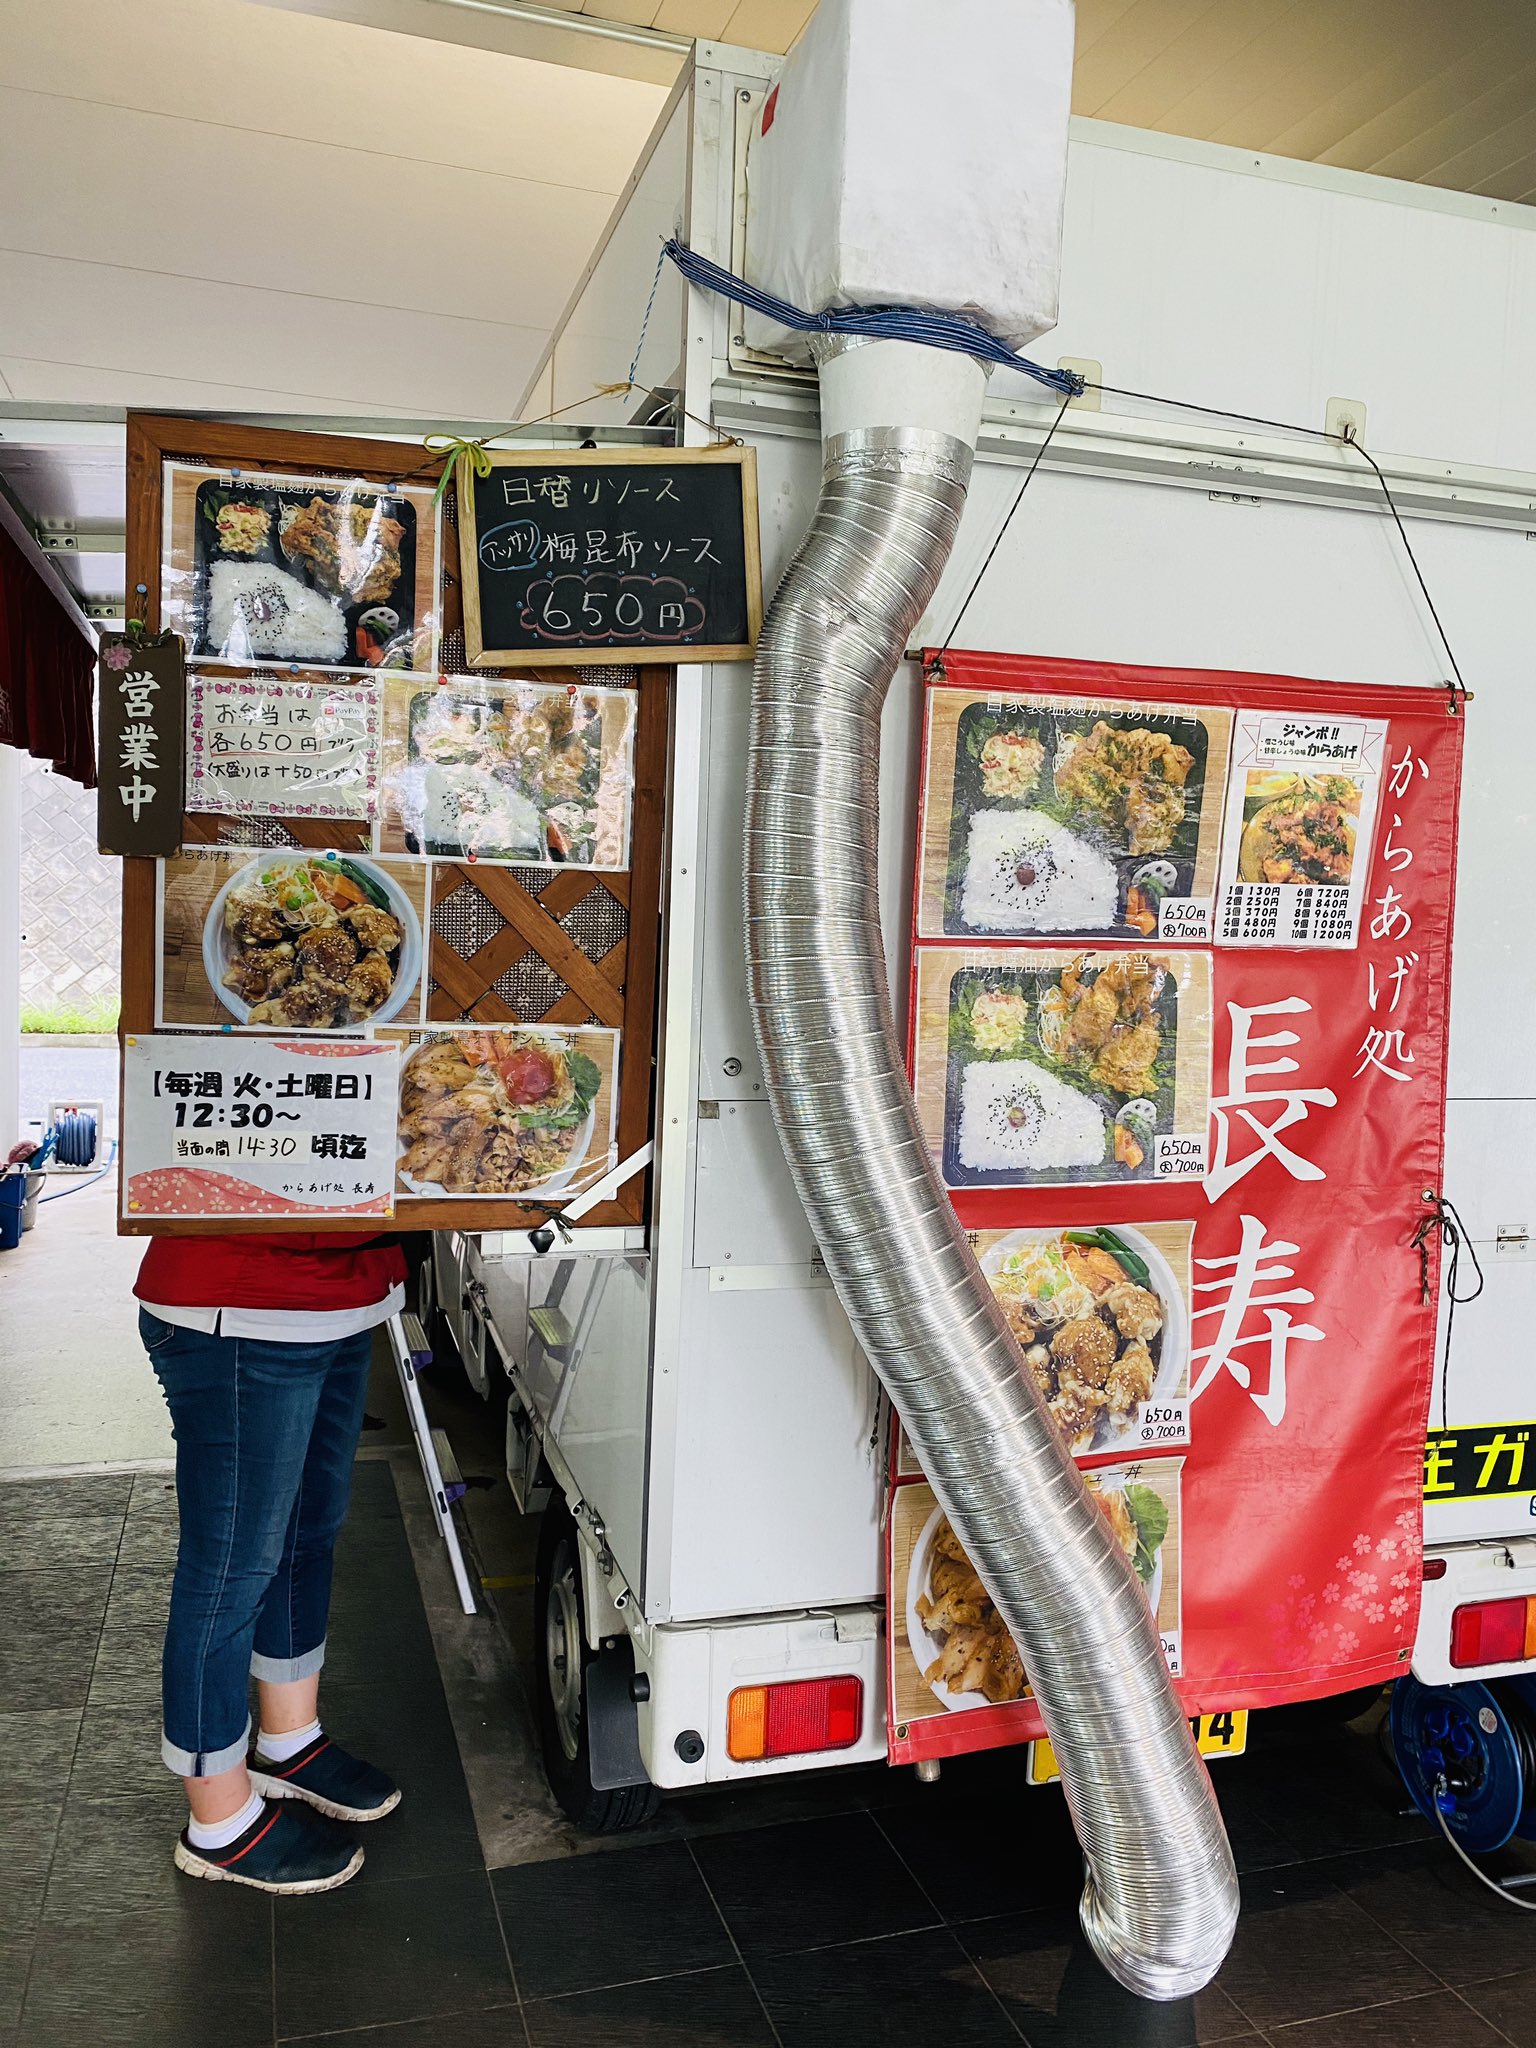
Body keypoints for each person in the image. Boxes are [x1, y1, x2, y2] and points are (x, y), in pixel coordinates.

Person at [135, 1227, 408, 1894]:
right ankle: (218, 1820)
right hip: (238, 1303)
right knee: (231, 1567)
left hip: (348, 1294)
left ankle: (290, 1742)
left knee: (307, 1534)